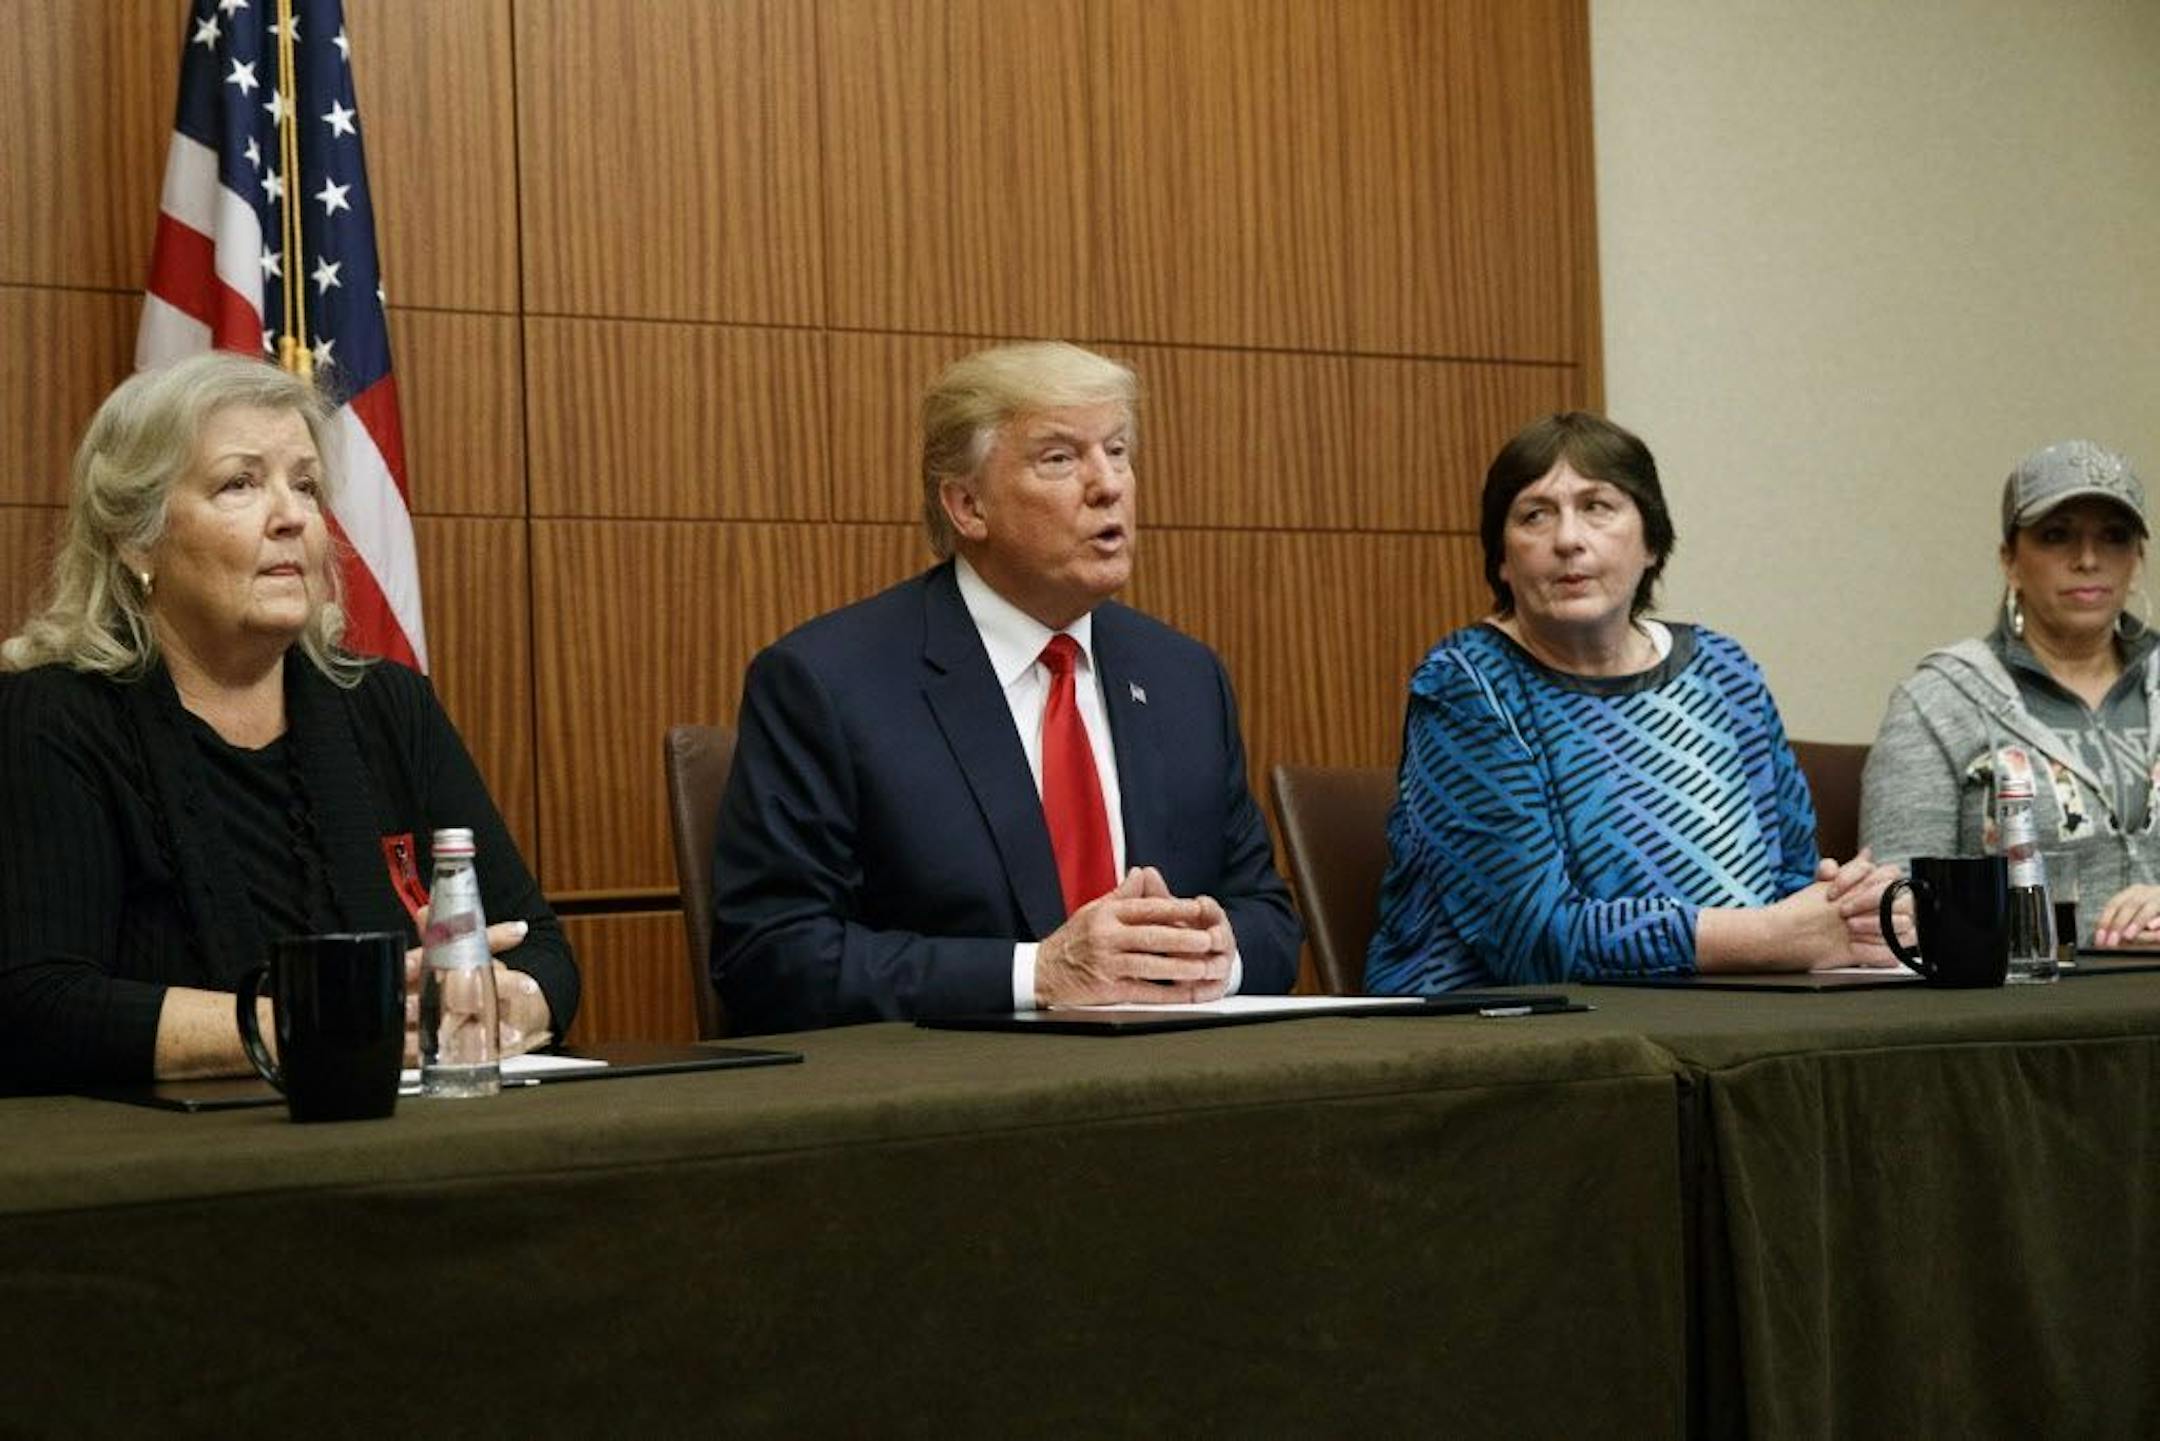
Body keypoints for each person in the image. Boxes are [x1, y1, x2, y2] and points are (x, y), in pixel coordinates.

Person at [0, 352, 576, 1088]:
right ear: (136, 538)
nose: (293, 515)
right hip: (181, 1172)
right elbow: (36, 1005)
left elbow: (543, 949)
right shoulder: (54, 719)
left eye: (305, 484)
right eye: (240, 483)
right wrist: (321, 1021)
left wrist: (511, 1001)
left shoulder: (387, 705)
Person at [711, 341, 1301, 1032]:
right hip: (952, 1109)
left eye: (1117, 450)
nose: (1108, 484)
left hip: (1174, 1095)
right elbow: (770, 955)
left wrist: (1211, 955)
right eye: (1060, 458)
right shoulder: (828, 683)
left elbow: (1269, 915)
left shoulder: (1183, 677)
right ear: (967, 506)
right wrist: (1038, 972)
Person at [1364, 412, 1898, 993]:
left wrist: (1850, 914)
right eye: (1535, 515)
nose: (1568, 539)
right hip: (1502, 1035)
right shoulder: (1466, 685)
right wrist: (1769, 937)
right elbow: (1533, 936)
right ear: (1501, 558)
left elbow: (1792, 880)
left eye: (1598, 506)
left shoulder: (1724, 670)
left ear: (1652, 542)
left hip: (1732, 1014)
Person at [1861, 440, 2160, 946]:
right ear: (2010, 560)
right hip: (2025, 1006)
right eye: (2056, 536)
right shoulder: (1939, 701)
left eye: (2113, 536)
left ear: (2137, 559)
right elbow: (1897, 914)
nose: (2087, 559)